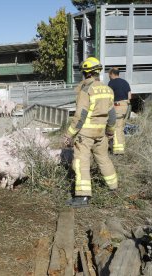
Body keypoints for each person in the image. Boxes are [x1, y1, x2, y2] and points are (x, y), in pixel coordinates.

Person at [64, 57, 118, 207]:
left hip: (86, 135)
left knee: (81, 163)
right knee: (104, 159)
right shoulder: (108, 89)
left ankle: (82, 197)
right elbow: (112, 115)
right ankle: (113, 188)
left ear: (86, 73)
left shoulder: (86, 90)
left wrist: (69, 134)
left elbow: (80, 115)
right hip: (101, 133)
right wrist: (110, 132)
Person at [108, 67, 131, 155]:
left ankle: (118, 151)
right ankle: (121, 147)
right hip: (126, 107)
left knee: (116, 128)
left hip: (117, 107)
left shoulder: (111, 83)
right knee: (121, 128)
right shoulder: (125, 82)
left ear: (112, 74)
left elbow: (109, 97)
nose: (109, 76)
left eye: (109, 74)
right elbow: (129, 97)